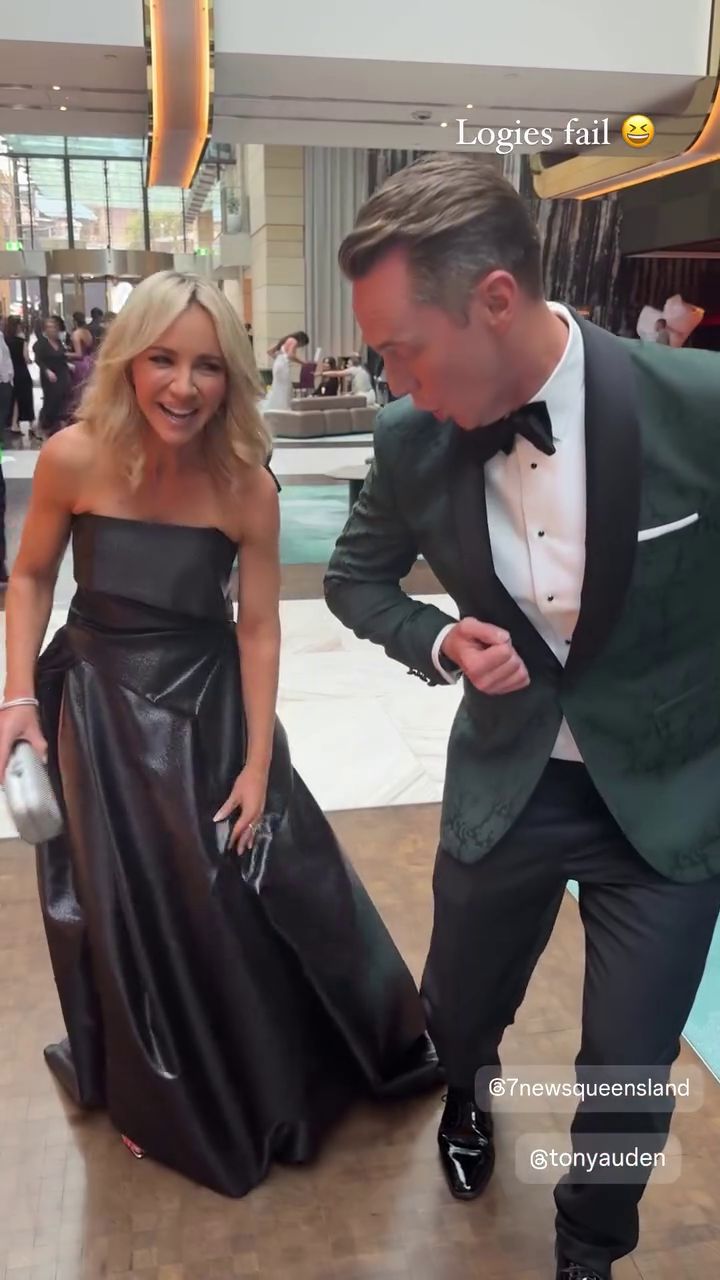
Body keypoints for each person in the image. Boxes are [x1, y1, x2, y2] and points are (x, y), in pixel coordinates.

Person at [323, 153, 720, 1280]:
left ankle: (588, 1251)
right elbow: (355, 581)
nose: (394, 380)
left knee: (629, 1073)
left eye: (405, 348)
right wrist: (438, 637)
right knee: (457, 1006)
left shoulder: (702, 407)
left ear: (496, 298)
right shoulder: (410, 440)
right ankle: (469, 1087)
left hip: (670, 795)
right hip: (511, 777)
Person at [0, 270, 438, 1198]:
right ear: (128, 362)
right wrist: (18, 699)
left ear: (232, 377)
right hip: (98, 704)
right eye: (162, 359)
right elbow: (30, 576)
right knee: (126, 897)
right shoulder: (74, 457)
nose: (183, 385)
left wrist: (258, 759)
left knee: (241, 883)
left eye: (207, 366)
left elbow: (260, 626)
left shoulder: (245, 484)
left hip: (206, 705)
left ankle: (270, 1066)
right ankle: (160, 1088)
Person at [34, 316, 72, 435]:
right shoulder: (41, 343)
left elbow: (61, 356)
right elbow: (38, 360)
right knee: (50, 400)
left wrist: (68, 364)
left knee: (63, 399)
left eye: (53, 327)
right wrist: (47, 371)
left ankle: (60, 428)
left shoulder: (59, 342)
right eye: (49, 327)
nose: (51, 329)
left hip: (62, 373)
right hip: (50, 375)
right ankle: (45, 425)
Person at [4, 316, 36, 437]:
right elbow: (26, 358)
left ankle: (14, 423)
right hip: (21, 371)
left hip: (10, 372)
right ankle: (31, 424)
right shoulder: (21, 341)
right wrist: (31, 361)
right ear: (18, 326)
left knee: (15, 398)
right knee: (26, 397)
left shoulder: (5, 340)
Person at [262, 330, 309, 412]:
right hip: (283, 365)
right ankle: (283, 407)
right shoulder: (294, 341)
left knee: (278, 386)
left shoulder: (284, 341)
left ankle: (277, 406)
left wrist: (279, 358)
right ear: (301, 340)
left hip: (277, 364)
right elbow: (291, 355)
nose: (300, 346)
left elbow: (269, 352)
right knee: (285, 386)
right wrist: (302, 362)